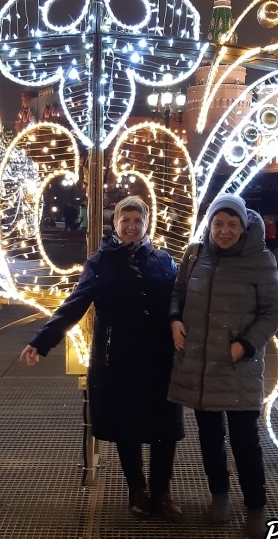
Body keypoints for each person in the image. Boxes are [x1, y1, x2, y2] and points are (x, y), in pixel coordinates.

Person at [20, 196, 184, 521]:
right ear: (116, 224)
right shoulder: (100, 262)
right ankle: (137, 490)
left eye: (138, 221)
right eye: (126, 221)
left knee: (163, 425)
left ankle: (161, 491)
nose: (132, 227)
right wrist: (42, 340)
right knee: (128, 426)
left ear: (147, 224)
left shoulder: (163, 261)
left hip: (158, 357)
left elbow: (180, 302)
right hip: (119, 356)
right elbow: (74, 304)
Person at [168, 194, 278, 539]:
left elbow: (273, 313)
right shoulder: (195, 255)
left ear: (243, 226)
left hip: (238, 369)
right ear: (210, 224)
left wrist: (244, 345)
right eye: (219, 223)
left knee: (245, 442)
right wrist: (174, 319)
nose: (224, 230)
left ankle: (255, 507)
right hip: (200, 368)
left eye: (232, 224)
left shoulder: (260, 260)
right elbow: (178, 293)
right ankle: (219, 496)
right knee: (209, 439)